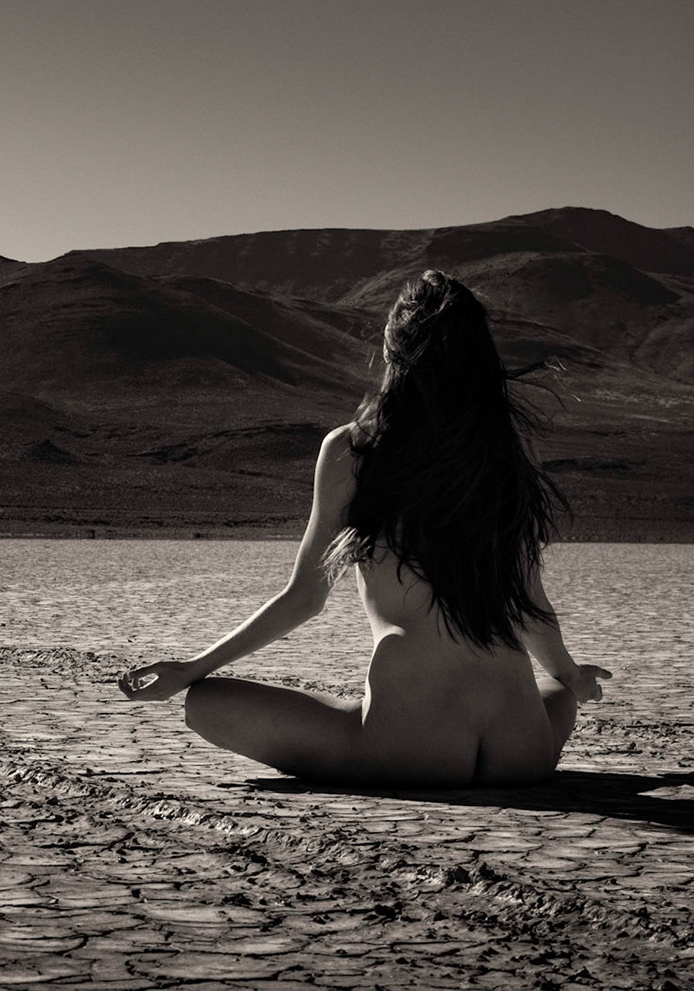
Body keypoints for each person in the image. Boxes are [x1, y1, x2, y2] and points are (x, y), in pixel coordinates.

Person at [119, 270, 610, 787]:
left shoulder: (355, 451)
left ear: (395, 352)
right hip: (520, 754)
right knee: (558, 694)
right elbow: (530, 602)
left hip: (412, 750)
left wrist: (192, 668)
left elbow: (304, 598)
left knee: (206, 703)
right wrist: (571, 675)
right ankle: (537, 712)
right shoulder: (508, 455)